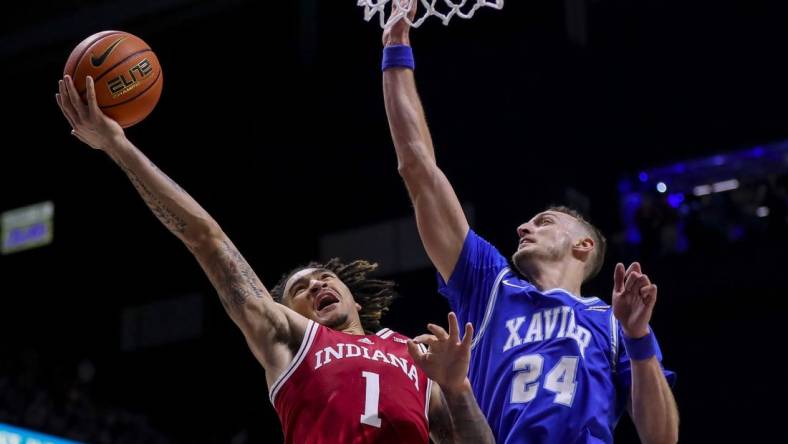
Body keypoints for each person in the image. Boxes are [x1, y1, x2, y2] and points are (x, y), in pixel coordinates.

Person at [55, 74, 494, 444]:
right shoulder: (290, 339)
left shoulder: (412, 353)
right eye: (300, 289)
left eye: (323, 277)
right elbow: (207, 239)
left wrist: (457, 389)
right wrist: (118, 147)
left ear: (355, 300)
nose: (317, 285)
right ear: (284, 311)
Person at [379, 5, 679, 443]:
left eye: (544, 221)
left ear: (583, 246)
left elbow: (662, 438)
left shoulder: (612, 324)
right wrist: (395, 48)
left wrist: (637, 336)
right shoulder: (489, 287)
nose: (523, 226)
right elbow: (417, 168)